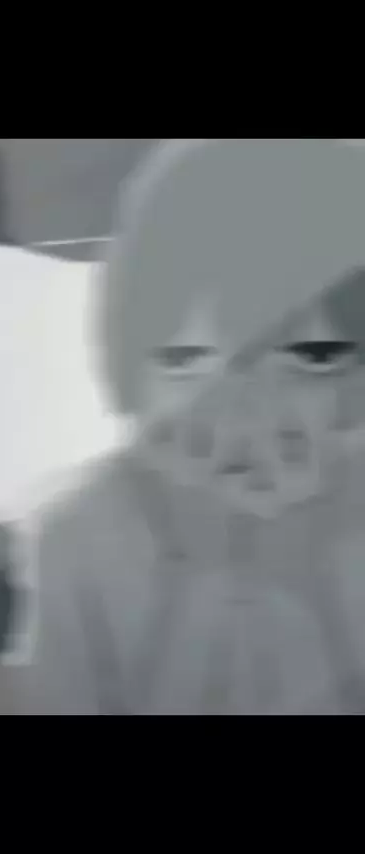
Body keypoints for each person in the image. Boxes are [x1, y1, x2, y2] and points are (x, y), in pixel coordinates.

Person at [21, 139, 365, 715]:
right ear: (127, 361)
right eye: (186, 360)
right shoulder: (82, 541)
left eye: (312, 357)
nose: (248, 414)